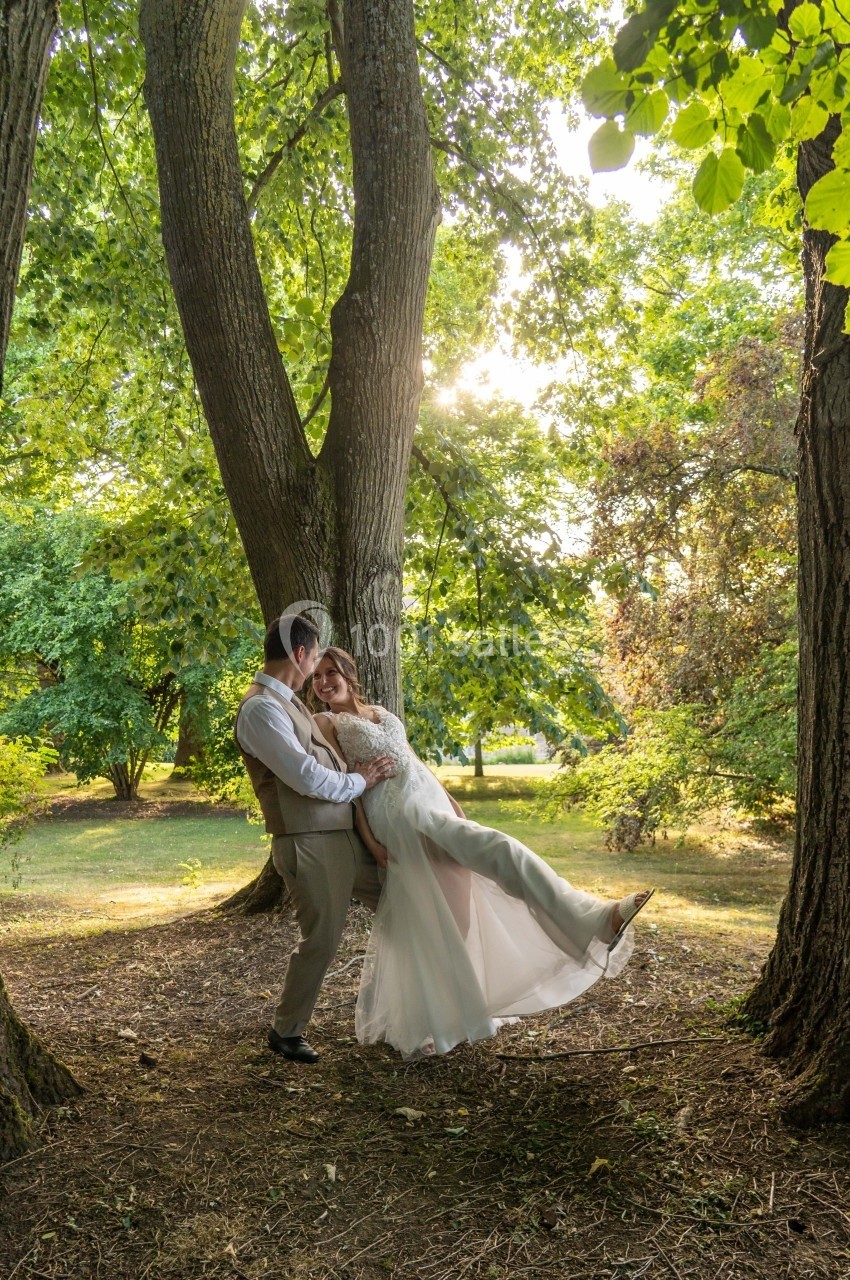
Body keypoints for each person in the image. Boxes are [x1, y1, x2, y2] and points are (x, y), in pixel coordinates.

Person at [310, 646, 655, 1060]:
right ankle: (593, 920)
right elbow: (349, 786)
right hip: (399, 813)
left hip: (430, 800)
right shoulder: (326, 722)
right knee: (500, 849)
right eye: (316, 676)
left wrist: (452, 800)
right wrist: (371, 842)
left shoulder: (382, 711)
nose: (323, 682)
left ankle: (443, 1015)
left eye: (330, 672)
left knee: (448, 915)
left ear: (349, 674)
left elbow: (414, 760)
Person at [234, 614, 395, 1064]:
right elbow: (306, 778)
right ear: (301, 655)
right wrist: (360, 782)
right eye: (314, 659)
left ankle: (414, 1005)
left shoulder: (291, 703)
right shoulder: (261, 708)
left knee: (407, 899)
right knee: (322, 941)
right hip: (308, 841)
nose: (316, 671)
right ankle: (286, 1032)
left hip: (343, 837)